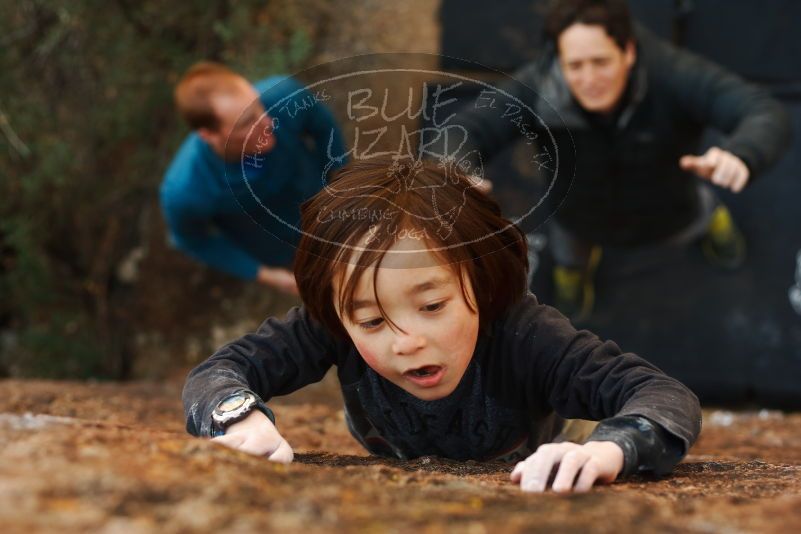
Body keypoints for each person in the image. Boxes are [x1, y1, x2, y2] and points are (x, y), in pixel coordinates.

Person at [182, 155, 701, 494]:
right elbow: (221, 371)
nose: (407, 342)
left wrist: (612, 448)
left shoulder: (526, 335)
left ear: (479, 279)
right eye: (371, 320)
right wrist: (236, 415)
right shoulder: (330, 325)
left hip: (540, 447)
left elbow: (661, 395)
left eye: (432, 306)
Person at [442, 0, 791, 320]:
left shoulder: (672, 73)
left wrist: (742, 154)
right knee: (570, 257)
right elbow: (467, 128)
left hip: (670, 203)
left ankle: (715, 224)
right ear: (558, 59)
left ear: (628, 51)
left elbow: (761, 111)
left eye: (601, 62)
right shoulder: (538, 87)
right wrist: (450, 170)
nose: (589, 80)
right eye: (575, 66)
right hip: (576, 211)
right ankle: (574, 278)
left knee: (702, 212)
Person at [160, 62, 347, 294]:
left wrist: (342, 178)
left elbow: (321, 125)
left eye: (258, 103)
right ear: (208, 135)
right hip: (288, 250)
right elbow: (194, 241)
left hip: (332, 208)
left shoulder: (283, 97)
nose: (267, 122)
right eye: (247, 121)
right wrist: (265, 275)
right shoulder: (186, 190)